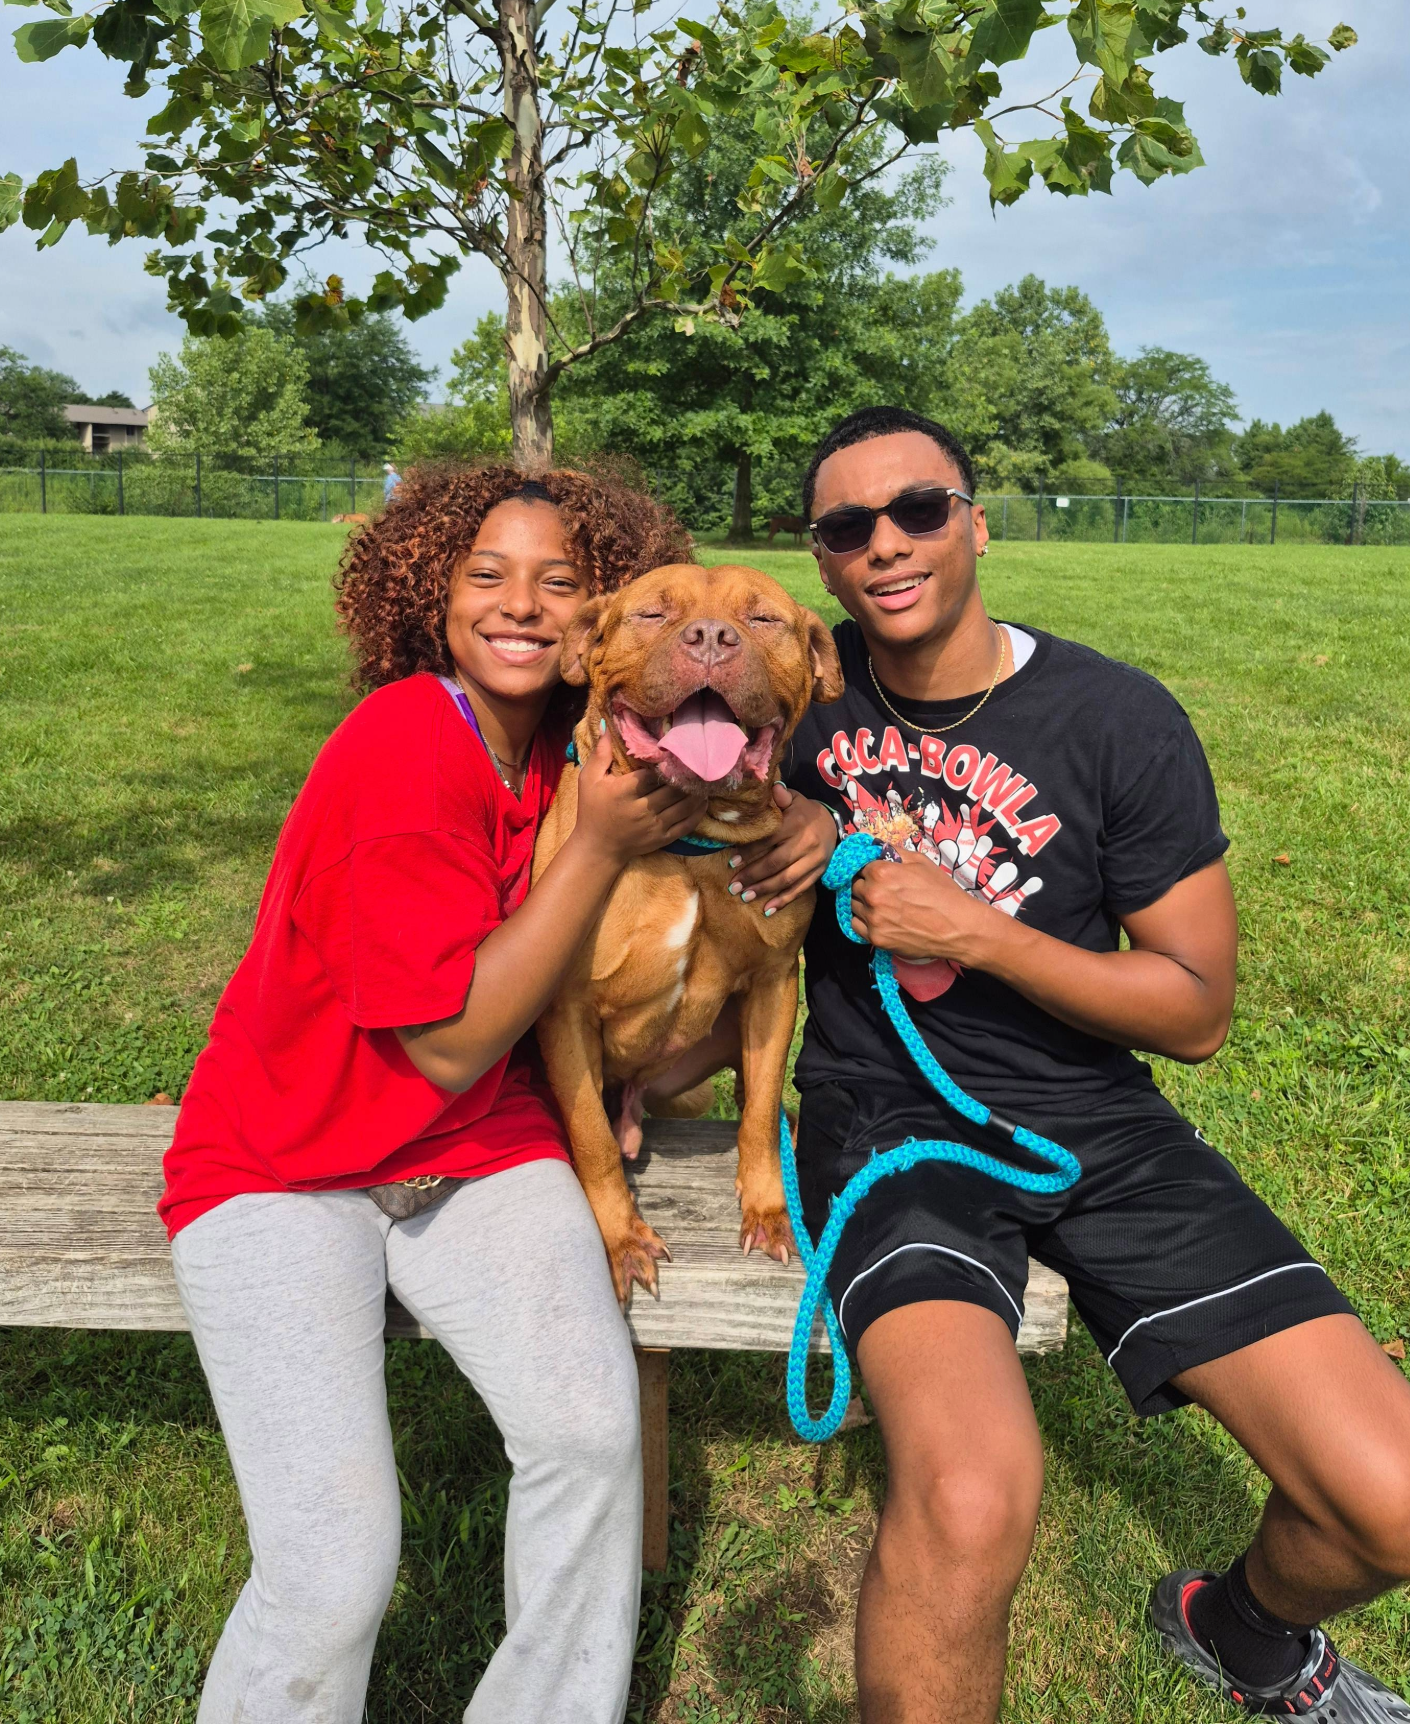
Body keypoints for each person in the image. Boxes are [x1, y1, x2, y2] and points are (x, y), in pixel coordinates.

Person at [726, 407, 1410, 1721]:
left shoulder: (1114, 718)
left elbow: (1195, 1007)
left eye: (916, 509)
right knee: (972, 1496)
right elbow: (653, 796)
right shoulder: (799, 708)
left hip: (1094, 1118)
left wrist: (974, 931)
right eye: (844, 527)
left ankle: (1246, 1630)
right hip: (885, 1126)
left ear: (974, 521)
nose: (883, 544)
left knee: (1385, 1499)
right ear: (819, 562)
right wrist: (777, 823)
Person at [160, 465, 701, 1724]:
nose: (522, 605)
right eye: (487, 576)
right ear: (430, 596)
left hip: (480, 1147)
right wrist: (608, 847)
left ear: (600, 615)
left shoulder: (568, 752)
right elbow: (452, 1037)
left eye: (561, 582)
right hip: (284, 1165)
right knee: (335, 1568)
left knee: (585, 1436)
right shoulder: (407, 738)